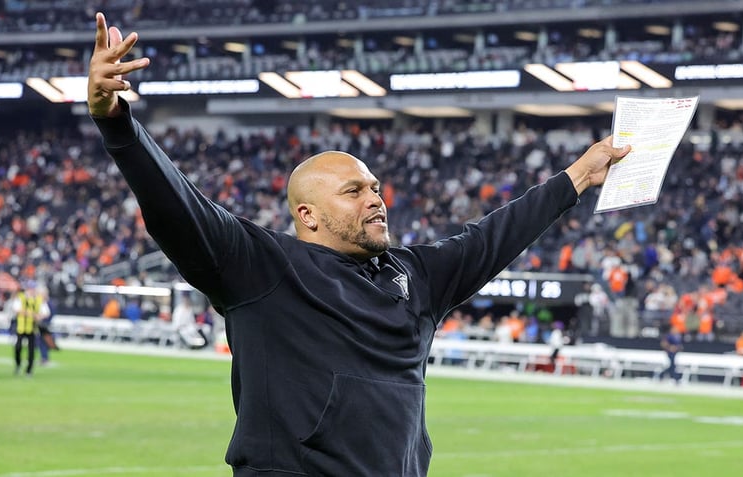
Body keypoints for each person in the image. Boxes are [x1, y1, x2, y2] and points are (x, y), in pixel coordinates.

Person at [86, 12, 632, 475]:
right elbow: (179, 205)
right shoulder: (264, 268)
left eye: (375, 188)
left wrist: (578, 176)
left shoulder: (416, 276)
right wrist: (116, 124)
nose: (376, 199)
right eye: (354, 191)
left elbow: (492, 238)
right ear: (309, 215)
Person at [11, 281, 50, 376]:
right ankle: (18, 365)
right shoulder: (21, 297)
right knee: (18, 347)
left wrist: (39, 316)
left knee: (31, 350)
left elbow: (46, 312)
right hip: (21, 328)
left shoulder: (39, 299)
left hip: (32, 329)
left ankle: (29, 370)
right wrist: (30, 314)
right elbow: (16, 309)